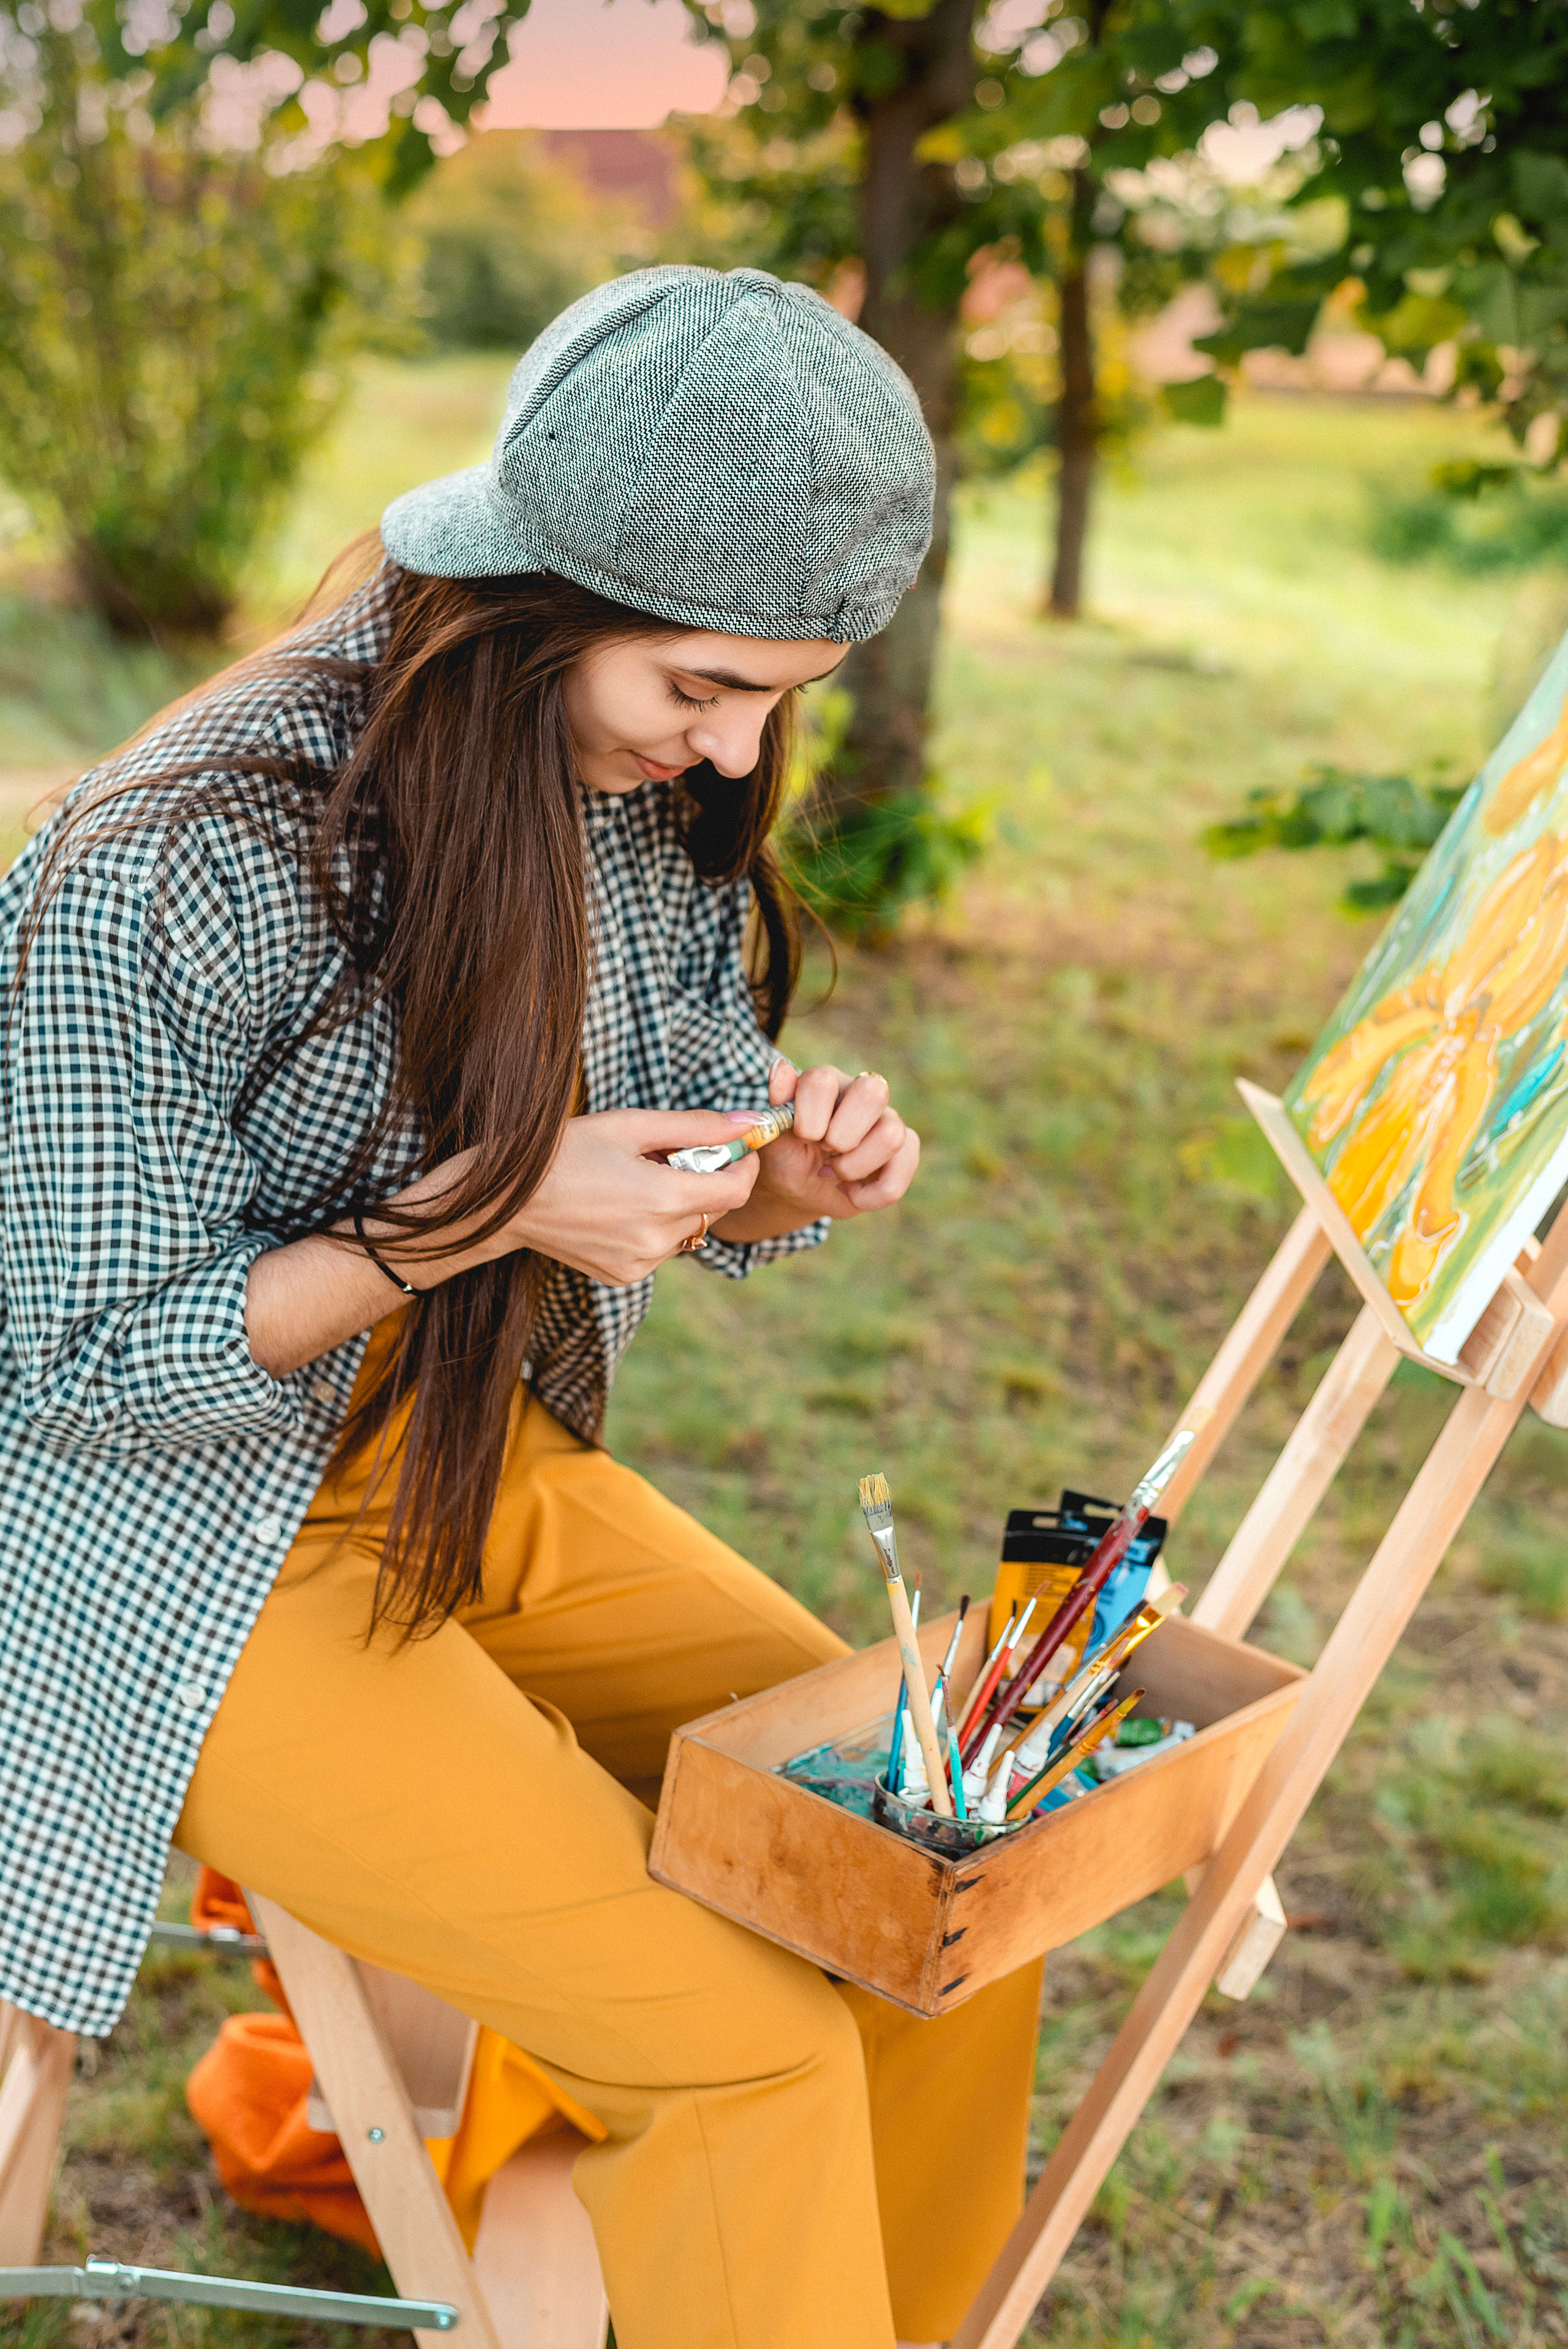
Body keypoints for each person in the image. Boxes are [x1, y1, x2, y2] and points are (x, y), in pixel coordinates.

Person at [0, 266, 1043, 2349]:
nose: (732, 749)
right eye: (705, 686)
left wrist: (775, 1170)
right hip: (168, 1563)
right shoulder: (166, 858)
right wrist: (470, 1217)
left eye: (779, 699)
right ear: (539, 595)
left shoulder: (605, 786)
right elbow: (81, 1370)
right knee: (738, 2044)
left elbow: (662, 1108)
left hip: (458, 1469)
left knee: (937, 1872)